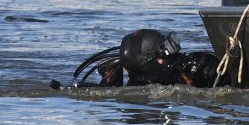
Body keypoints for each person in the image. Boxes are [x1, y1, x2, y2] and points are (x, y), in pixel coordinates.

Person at [57, 29, 228, 88]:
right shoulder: (136, 90)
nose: (175, 56)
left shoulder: (193, 65)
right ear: (150, 64)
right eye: (165, 53)